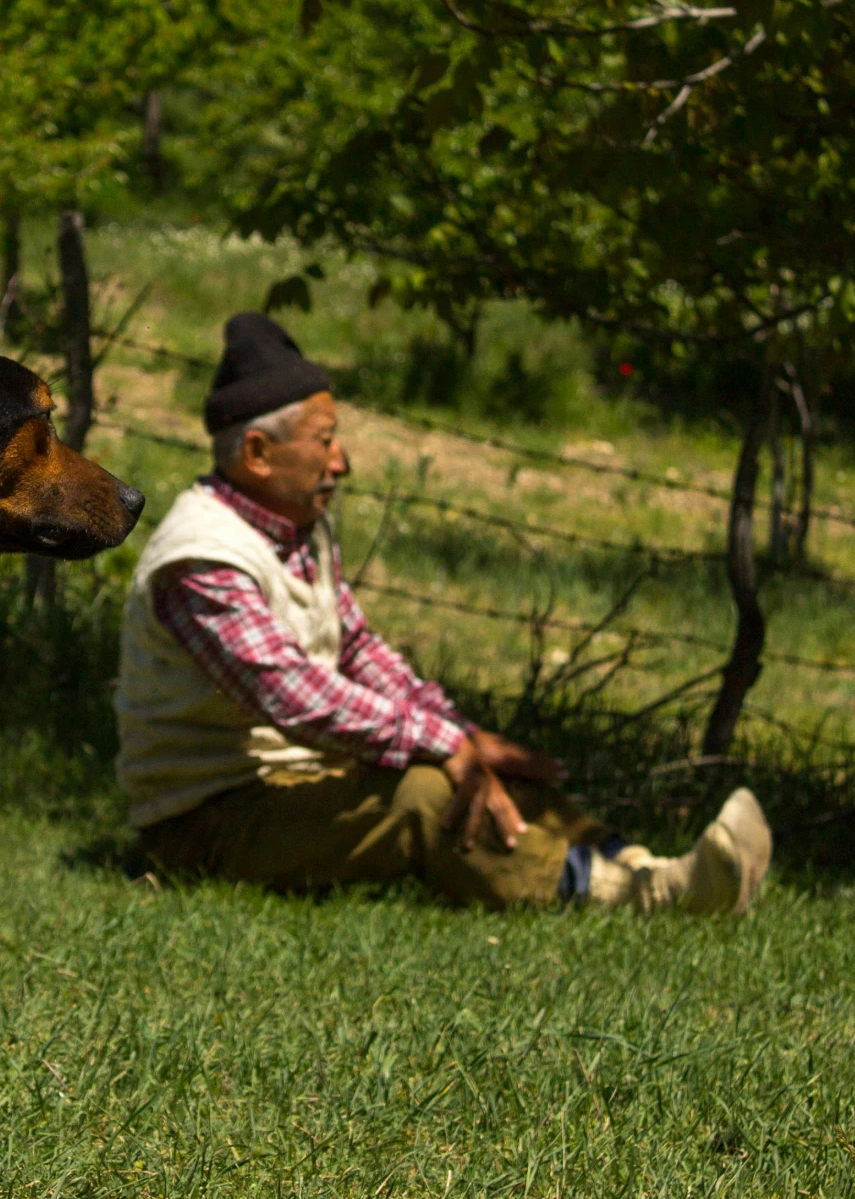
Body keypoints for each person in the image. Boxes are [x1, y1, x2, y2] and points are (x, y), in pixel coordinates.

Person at [115, 312, 772, 914]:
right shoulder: (203, 559)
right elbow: (295, 697)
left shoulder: (294, 526)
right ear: (257, 454)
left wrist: (460, 732)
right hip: (207, 820)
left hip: (298, 778)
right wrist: (443, 743)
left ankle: (638, 864)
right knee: (425, 796)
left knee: (482, 761)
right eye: (325, 440)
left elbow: (356, 650)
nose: (342, 460)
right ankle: (633, 896)